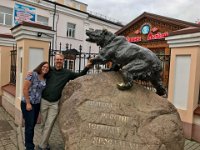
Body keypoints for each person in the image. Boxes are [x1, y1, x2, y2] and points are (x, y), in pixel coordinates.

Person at [38, 53, 93, 150]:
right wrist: (32, 72)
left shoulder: (67, 73)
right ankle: (45, 143)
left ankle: (41, 146)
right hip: (44, 101)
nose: (59, 61)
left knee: (49, 124)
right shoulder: (49, 71)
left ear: (63, 61)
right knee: (43, 124)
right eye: (57, 59)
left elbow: (79, 75)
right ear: (54, 60)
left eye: (60, 60)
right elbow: (40, 73)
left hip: (54, 103)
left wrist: (87, 67)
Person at [21, 61, 49, 150]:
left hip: (37, 104)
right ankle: (29, 147)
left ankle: (29, 144)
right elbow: (25, 88)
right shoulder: (32, 74)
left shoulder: (45, 78)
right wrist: (28, 103)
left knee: (32, 125)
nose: (45, 68)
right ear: (40, 66)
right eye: (44, 66)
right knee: (29, 126)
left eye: (47, 68)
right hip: (28, 103)